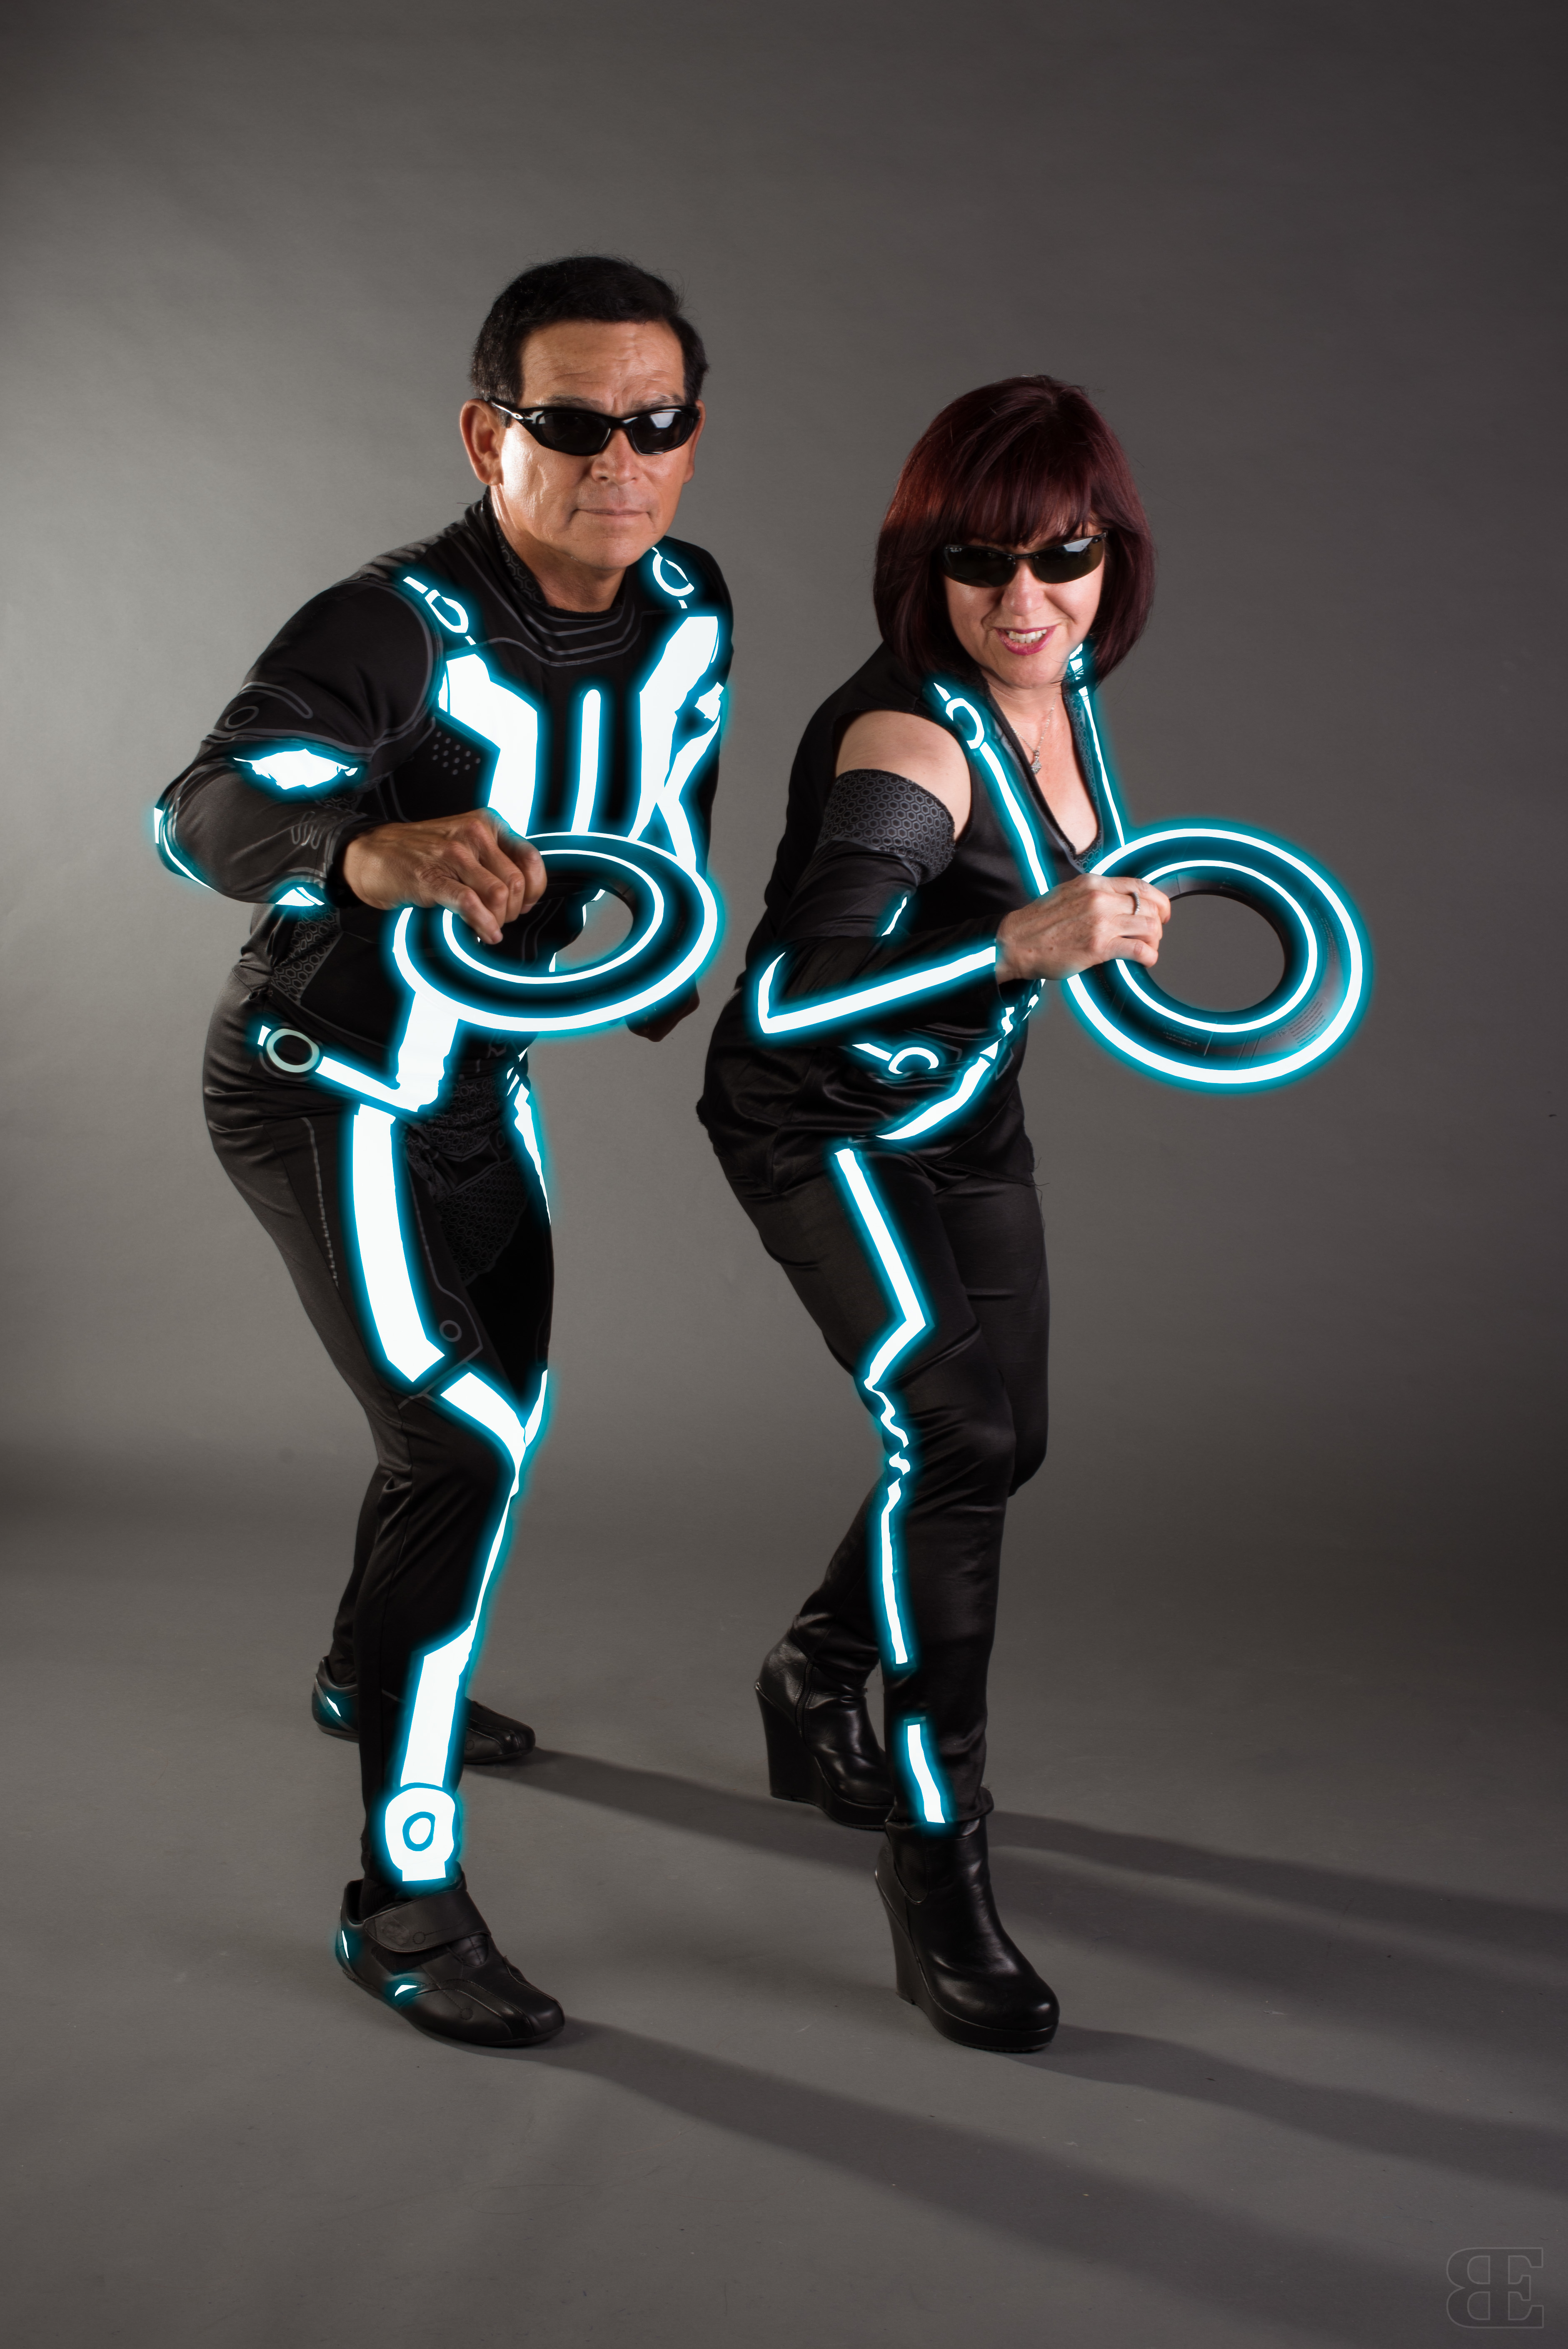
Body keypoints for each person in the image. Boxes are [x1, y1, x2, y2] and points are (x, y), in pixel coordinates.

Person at [157, 255, 731, 2047]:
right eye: (574, 424)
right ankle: (402, 1895)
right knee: (461, 1437)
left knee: (495, 1422)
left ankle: (364, 1664)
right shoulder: (390, 621)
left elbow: (669, 810)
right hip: (319, 1074)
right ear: (491, 437)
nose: (620, 460)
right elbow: (196, 815)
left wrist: (659, 958)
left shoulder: (691, 600)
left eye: (656, 423)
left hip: (477, 1080)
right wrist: (362, 851)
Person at [699, 376, 1164, 2052]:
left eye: (1061, 557)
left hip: (960, 1122)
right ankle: (932, 1863)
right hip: (816, 1127)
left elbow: (1044, 886)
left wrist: (1104, 922)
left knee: (1005, 1436)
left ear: (1109, 556)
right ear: (926, 567)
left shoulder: (1062, 691)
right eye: (981, 564)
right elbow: (797, 992)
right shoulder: (907, 744)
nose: (1025, 600)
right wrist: (1019, 942)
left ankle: (814, 1668)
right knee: (952, 1436)